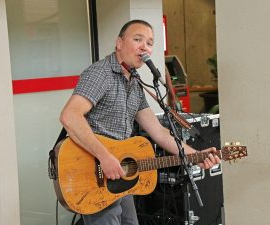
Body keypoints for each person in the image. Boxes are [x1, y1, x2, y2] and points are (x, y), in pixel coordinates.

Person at [60, 19, 221, 225]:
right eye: (138, 39)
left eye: (150, 43)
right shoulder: (100, 73)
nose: (145, 46)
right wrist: (105, 157)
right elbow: (69, 116)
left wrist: (195, 156)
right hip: (94, 173)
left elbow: (159, 133)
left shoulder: (134, 82)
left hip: (120, 175)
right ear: (119, 43)